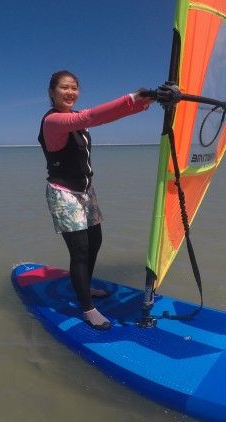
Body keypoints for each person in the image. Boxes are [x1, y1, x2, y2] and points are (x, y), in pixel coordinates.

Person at [38, 70, 153, 330]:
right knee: (79, 251)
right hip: (64, 193)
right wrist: (133, 97)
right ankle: (88, 308)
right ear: (51, 92)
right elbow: (92, 116)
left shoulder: (75, 118)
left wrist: (148, 101)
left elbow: (107, 114)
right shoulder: (54, 121)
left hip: (86, 192)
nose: (70, 92)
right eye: (64, 88)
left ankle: (85, 285)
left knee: (96, 241)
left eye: (74, 88)